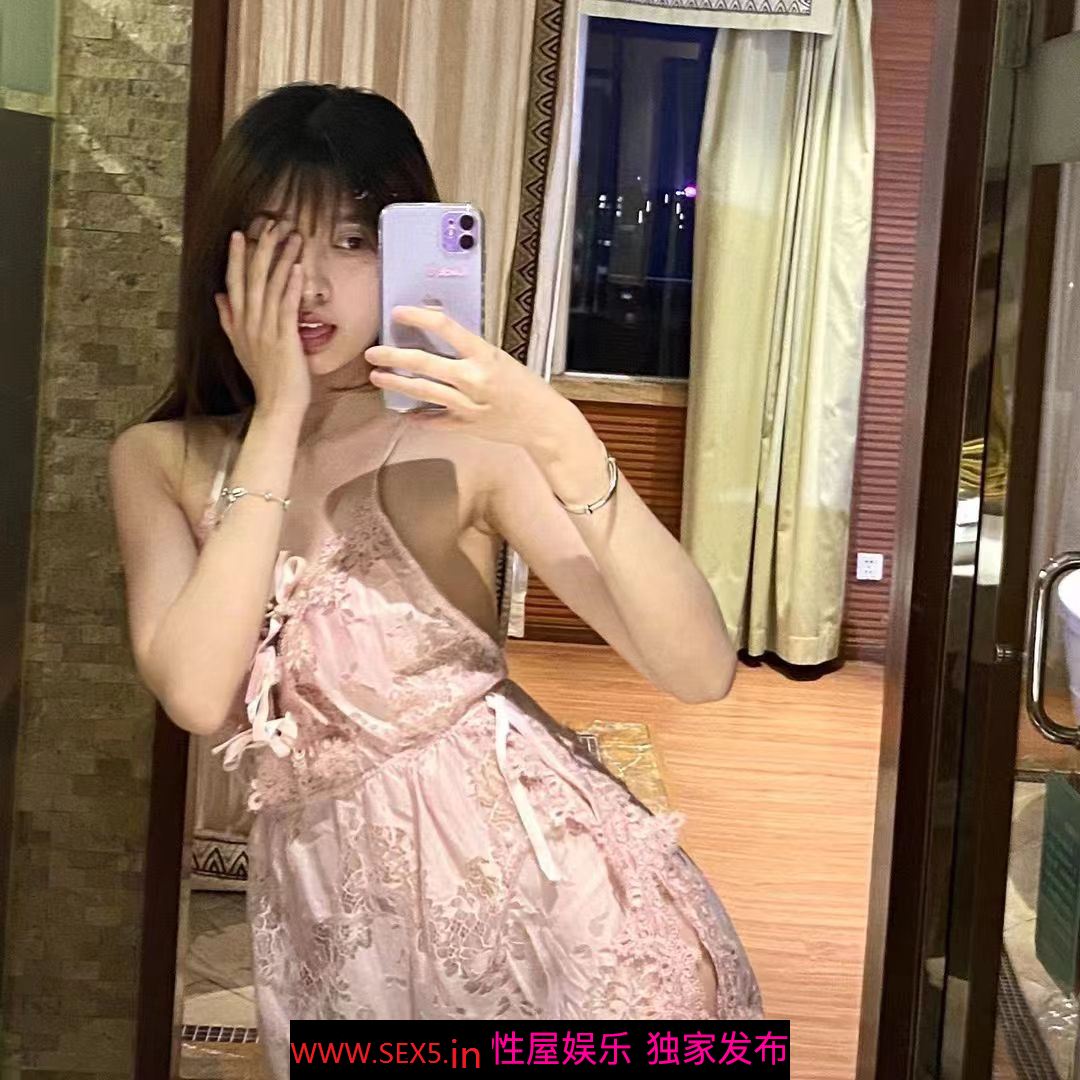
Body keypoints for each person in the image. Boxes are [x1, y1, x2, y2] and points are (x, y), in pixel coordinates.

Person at [108, 82, 762, 1075]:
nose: (312, 284)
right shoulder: (162, 460)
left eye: (353, 241)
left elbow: (700, 669)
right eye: (278, 239)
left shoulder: (463, 445)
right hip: (342, 930)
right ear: (225, 258)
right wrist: (277, 419)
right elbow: (197, 692)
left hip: (552, 920)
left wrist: (561, 437)